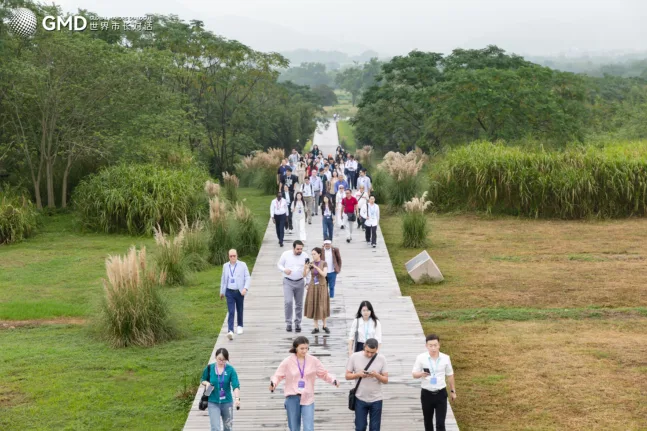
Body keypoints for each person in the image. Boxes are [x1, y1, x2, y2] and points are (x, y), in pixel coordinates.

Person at [270, 336, 340, 431]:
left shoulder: (313, 360)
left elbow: (324, 374)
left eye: (306, 348)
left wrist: (333, 380)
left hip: (308, 397)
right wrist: (273, 384)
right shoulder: (287, 361)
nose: (304, 351)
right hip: (292, 397)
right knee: (294, 428)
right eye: (302, 348)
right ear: (296, 348)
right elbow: (277, 376)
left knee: (309, 428)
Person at [412, 334, 457, 431]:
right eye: (430, 345)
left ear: (439, 345)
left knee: (440, 423)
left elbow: (450, 375)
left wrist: (453, 391)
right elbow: (414, 374)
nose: (433, 348)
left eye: (435, 345)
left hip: (441, 393)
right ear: (426, 346)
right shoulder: (421, 358)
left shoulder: (445, 358)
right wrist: (421, 374)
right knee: (428, 422)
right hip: (426, 393)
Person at [345, 339, 388, 431]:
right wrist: (358, 374)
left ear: (377, 349)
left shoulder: (381, 359)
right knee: (360, 427)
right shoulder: (354, 357)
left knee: (375, 428)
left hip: (376, 399)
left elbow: (385, 380)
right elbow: (347, 376)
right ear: (364, 346)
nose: (369, 354)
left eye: (372, 352)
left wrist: (376, 375)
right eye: (367, 351)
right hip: (360, 398)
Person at [201, 348, 241, 431]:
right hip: (213, 402)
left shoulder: (230, 370)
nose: (221, 362)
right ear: (215, 357)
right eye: (219, 359)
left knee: (228, 427)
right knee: (215, 428)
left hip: (227, 402)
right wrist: (207, 383)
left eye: (224, 360)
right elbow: (203, 380)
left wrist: (237, 398)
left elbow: (235, 385)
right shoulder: (209, 368)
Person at [220, 249, 251, 340]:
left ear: (237, 256)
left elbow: (247, 277)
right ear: (228, 256)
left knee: (239, 309)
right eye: (231, 256)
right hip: (229, 291)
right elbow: (223, 279)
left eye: (234, 256)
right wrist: (222, 292)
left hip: (239, 291)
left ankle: (240, 325)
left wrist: (245, 288)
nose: (233, 257)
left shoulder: (242, 265)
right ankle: (230, 330)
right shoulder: (225, 266)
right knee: (231, 311)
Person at [278, 241, 308, 332]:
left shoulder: (305, 256)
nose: (299, 251)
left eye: (301, 249)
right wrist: (284, 269)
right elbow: (279, 264)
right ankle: (288, 322)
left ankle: (298, 322)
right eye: (297, 249)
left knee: (299, 303)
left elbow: (308, 269)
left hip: (300, 281)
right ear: (293, 248)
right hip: (288, 281)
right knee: (288, 302)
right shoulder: (286, 254)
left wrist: (308, 282)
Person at [303, 247, 330, 334]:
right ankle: (316, 327)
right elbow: (304, 275)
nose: (313, 256)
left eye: (314, 254)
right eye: (312, 254)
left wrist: (316, 267)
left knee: (322, 304)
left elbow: (324, 274)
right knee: (314, 303)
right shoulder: (311, 263)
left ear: (319, 254)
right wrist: (305, 267)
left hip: (322, 286)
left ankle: (325, 325)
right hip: (313, 286)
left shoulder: (324, 263)